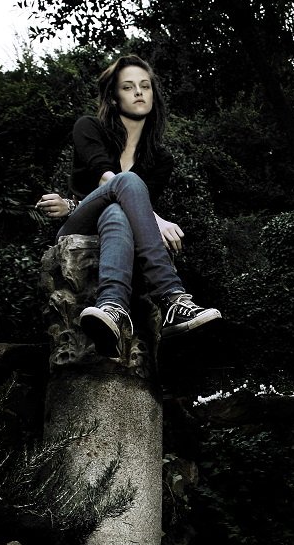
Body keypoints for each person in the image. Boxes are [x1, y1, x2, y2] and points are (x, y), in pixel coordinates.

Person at [36, 54, 221, 359]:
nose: (139, 92)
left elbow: (129, 203)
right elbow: (109, 180)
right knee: (128, 183)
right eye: (128, 86)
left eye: (145, 86)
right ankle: (173, 297)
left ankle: (113, 307)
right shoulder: (88, 127)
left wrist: (147, 213)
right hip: (81, 223)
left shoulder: (161, 159)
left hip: (114, 222)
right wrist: (156, 219)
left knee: (117, 212)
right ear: (112, 97)